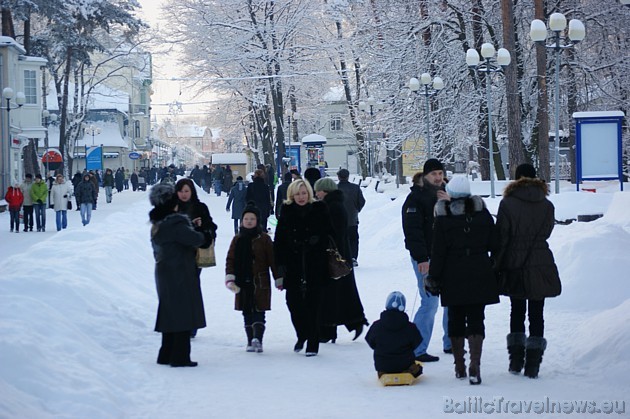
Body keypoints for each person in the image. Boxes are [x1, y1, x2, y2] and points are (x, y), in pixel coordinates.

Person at [425, 176, 499, 385]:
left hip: (452, 273)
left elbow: (438, 252)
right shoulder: (483, 214)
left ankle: (459, 366)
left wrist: (434, 277)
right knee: (477, 318)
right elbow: (495, 243)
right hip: (479, 271)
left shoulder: (443, 217)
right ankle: (475, 364)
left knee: (455, 318)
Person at [493, 163, 561, 379]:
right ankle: (533, 365)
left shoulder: (507, 203)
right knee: (537, 313)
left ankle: (515, 361)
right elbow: (547, 232)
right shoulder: (547, 205)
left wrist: (496, 262)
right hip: (540, 261)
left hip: (515, 261)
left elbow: (502, 236)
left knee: (517, 310)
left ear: (516, 179)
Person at [149, 184, 211, 367]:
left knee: (169, 312)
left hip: (164, 272)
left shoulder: (158, 223)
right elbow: (197, 240)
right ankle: (180, 357)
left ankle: (165, 353)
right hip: (180, 272)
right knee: (183, 313)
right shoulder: (175, 223)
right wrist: (202, 232)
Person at [273, 179, 335, 357]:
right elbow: (278, 243)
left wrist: (317, 240)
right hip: (293, 264)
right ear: (291, 196)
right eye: (297, 194)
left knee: (313, 304)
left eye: (304, 193)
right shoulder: (286, 212)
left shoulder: (320, 210)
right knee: (293, 303)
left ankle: (313, 341)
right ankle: (302, 334)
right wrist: (280, 268)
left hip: (315, 263)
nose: (301, 197)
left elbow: (331, 233)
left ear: (309, 193)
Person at [401, 158, 451, 362]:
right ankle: (417, 348)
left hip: (448, 256)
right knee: (430, 302)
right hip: (426, 258)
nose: (438, 178)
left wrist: (450, 203)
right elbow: (412, 232)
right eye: (434, 174)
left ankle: (452, 342)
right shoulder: (415, 199)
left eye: (440, 173)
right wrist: (421, 257)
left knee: (452, 300)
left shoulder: (448, 194)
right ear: (425, 176)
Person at [313, 177, 368, 343]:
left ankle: (332, 329)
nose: (316, 194)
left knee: (333, 294)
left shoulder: (333, 207)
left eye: (318, 191)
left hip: (334, 258)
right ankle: (343, 326)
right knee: (341, 294)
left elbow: (333, 232)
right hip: (339, 256)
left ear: (326, 191)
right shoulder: (334, 204)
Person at [225, 203, 280, 353]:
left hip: (260, 281)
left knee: (259, 311)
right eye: (246, 218)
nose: (249, 221)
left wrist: (278, 277)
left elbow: (273, 260)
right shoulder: (237, 239)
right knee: (246, 311)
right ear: (242, 221)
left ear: (258, 221)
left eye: (252, 219)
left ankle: (258, 339)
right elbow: (230, 259)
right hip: (242, 281)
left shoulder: (264, 239)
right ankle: (250, 340)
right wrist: (230, 277)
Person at [175, 178, 218, 338]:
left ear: (192, 191)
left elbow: (211, 229)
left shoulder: (200, 208)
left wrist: (201, 227)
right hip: (176, 256)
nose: (184, 194)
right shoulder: (173, 209)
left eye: (187, 191)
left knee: (191, 288)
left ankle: (191, 324)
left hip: (194, 255)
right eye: (181, 191)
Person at [365, 291, 423, 379]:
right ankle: (409, 371)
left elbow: (370, 341)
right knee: (417, 368)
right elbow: (417, 342)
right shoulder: (410, 327)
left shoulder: (377, 326)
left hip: (383, 365)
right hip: (405, 364)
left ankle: (383, 373)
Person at [336, 168, 366, 267]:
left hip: (338, 219)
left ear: (338, 177)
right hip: (352, 219)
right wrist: (356, 210)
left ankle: (342, 257)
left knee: (340, 238)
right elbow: (361, 201)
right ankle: (353, 257)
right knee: (353, 239)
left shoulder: (335, 188)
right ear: (348, 176)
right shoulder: (355, 188)